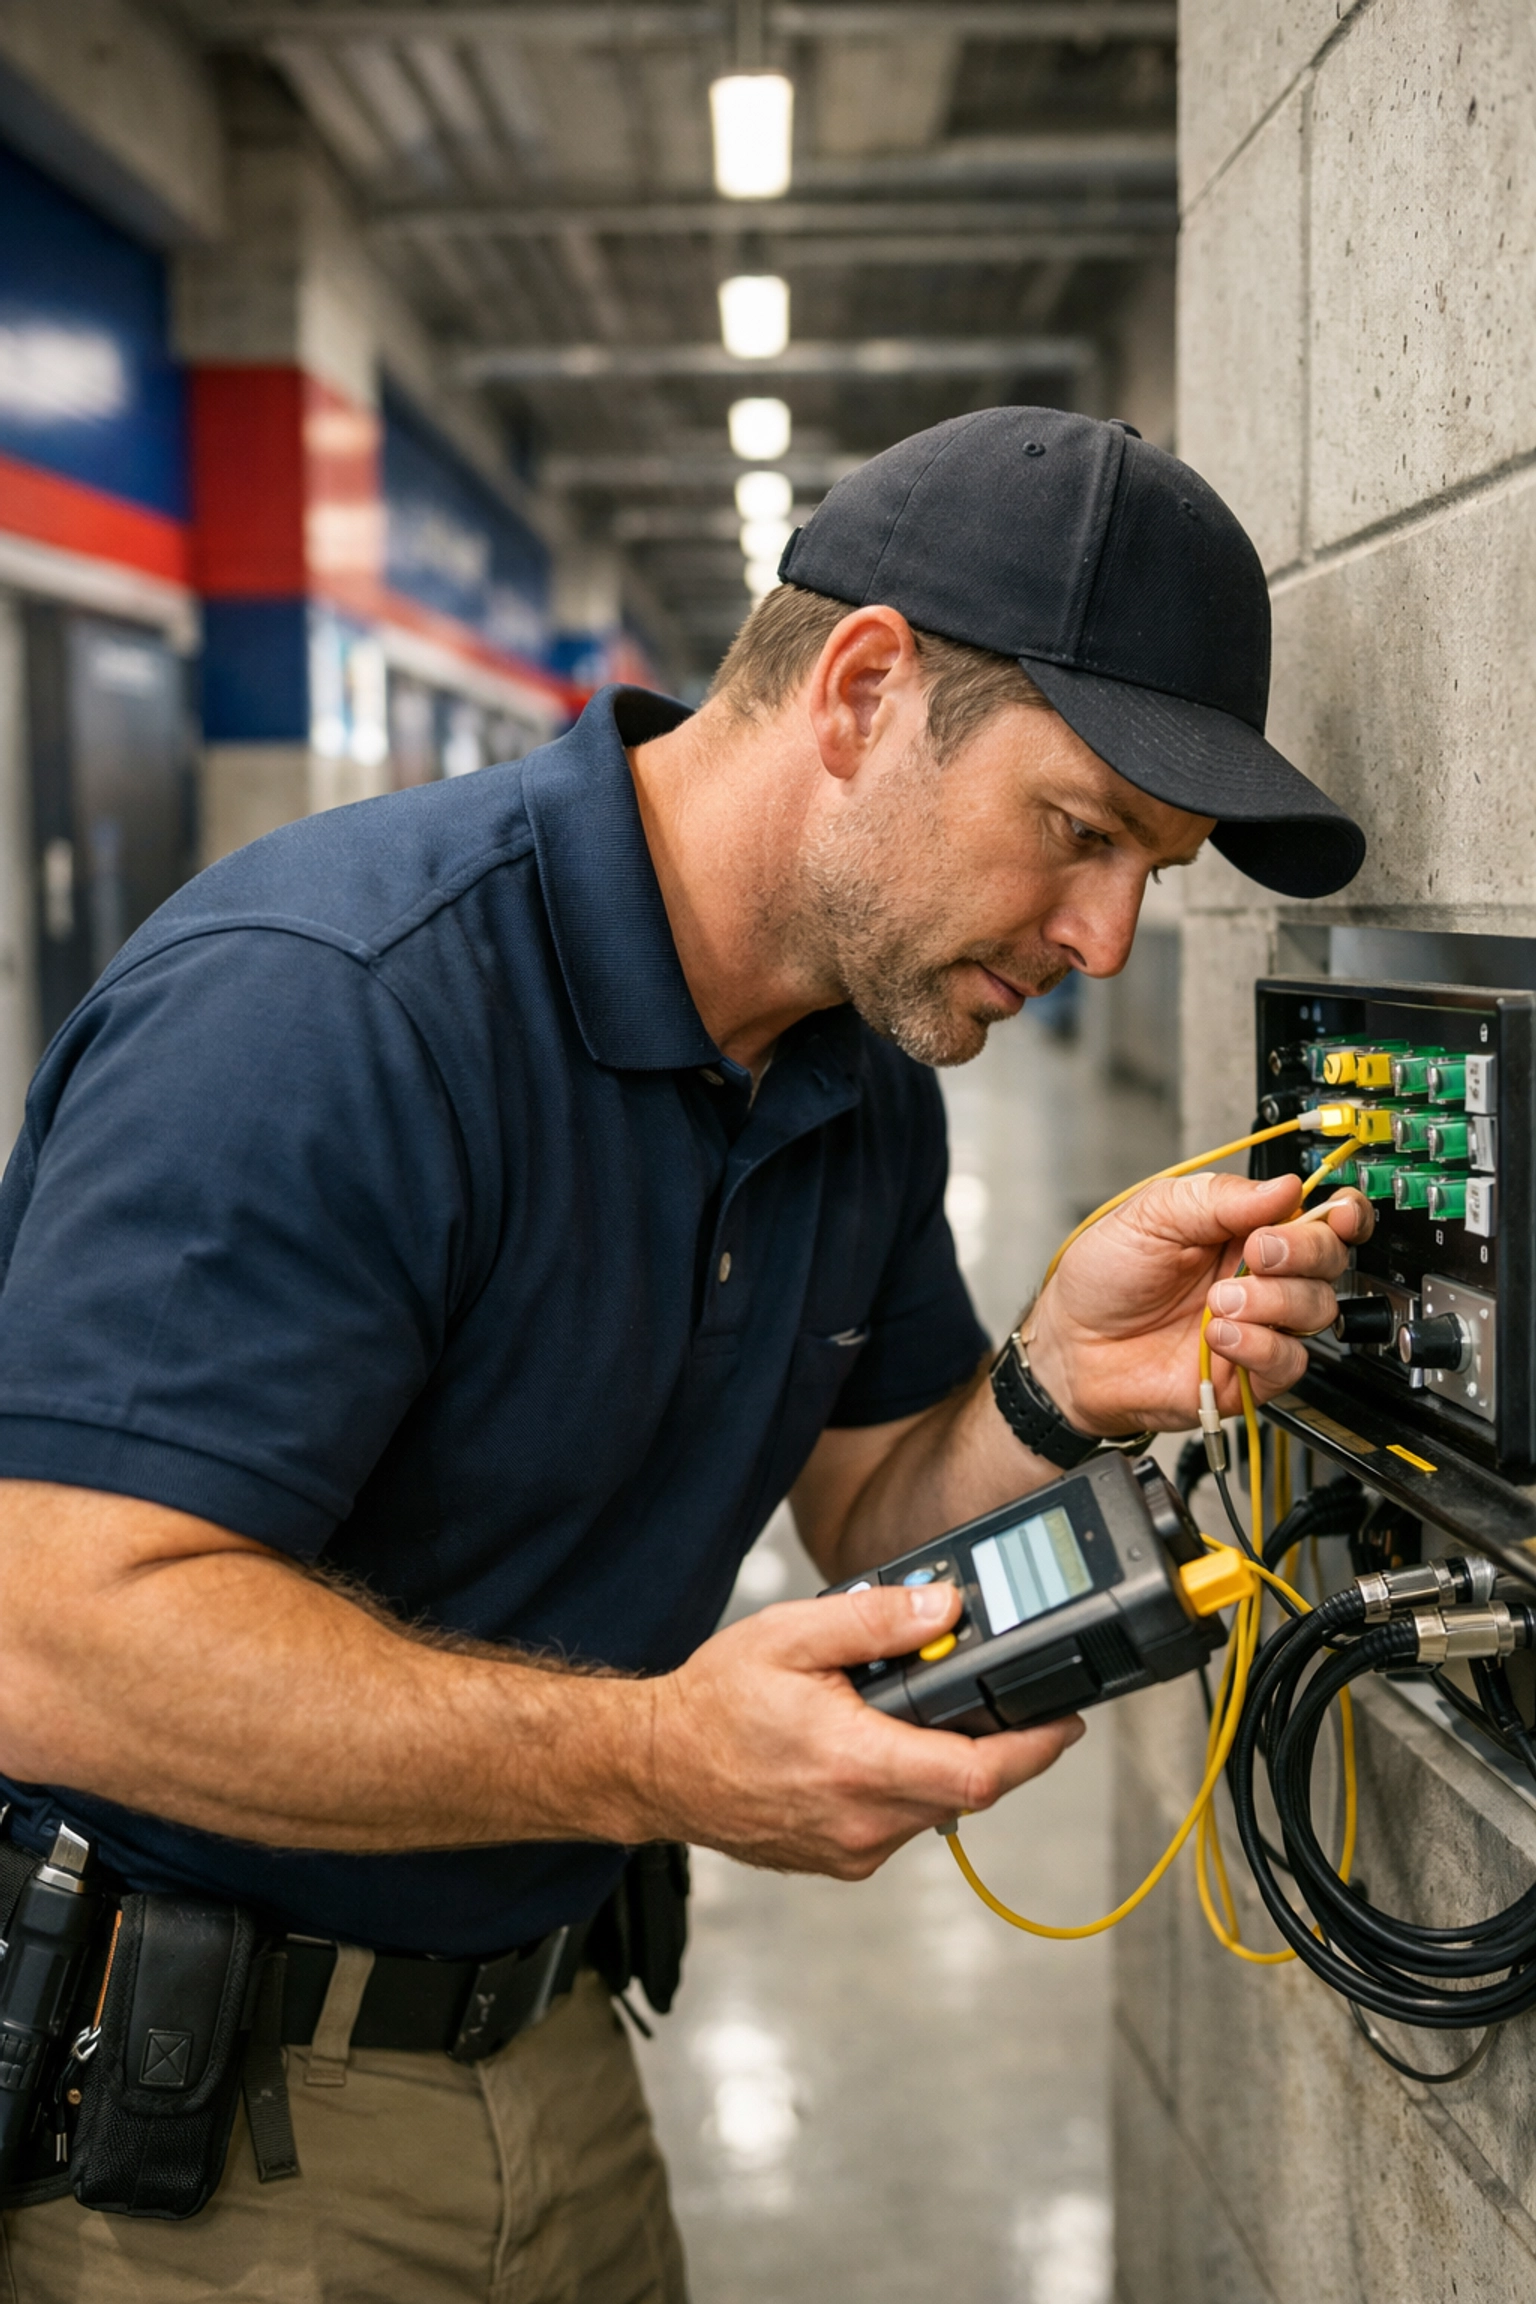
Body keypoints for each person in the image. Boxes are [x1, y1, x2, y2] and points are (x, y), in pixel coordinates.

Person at [0, 408, 1368, 2300]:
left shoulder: (857, 1075)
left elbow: (873, 1511)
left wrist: (1048, 1380)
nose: (1110, 940)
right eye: (1079, 834)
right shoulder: (330, 1011)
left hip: (559, 2045)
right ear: (866, 689)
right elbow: (52, 1643)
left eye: (1157, 870)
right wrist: (654, 1754)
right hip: (196, 2137)